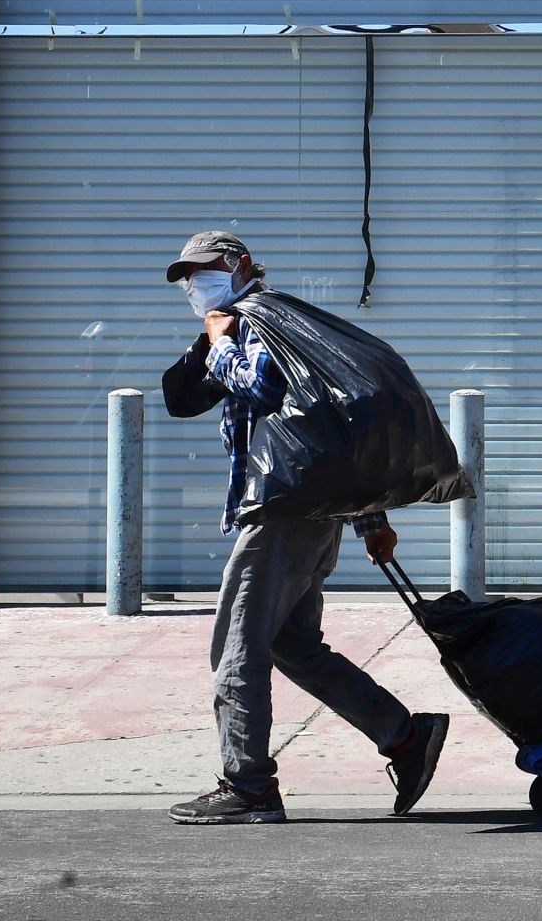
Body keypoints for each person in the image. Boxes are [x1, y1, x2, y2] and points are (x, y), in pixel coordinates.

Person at [158, 230, 449, 825]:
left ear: (238, 264)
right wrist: (370, 518)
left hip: (280, 519)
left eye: (204, 271)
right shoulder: (262, 321)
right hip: (308, 519)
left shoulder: (258, 322)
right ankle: (402, 735)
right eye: (188, 277)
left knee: (236, 651)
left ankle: (248, 786)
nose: (195, 285)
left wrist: (219, 343)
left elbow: (265, 388)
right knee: (293, 646)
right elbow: (320, 427)